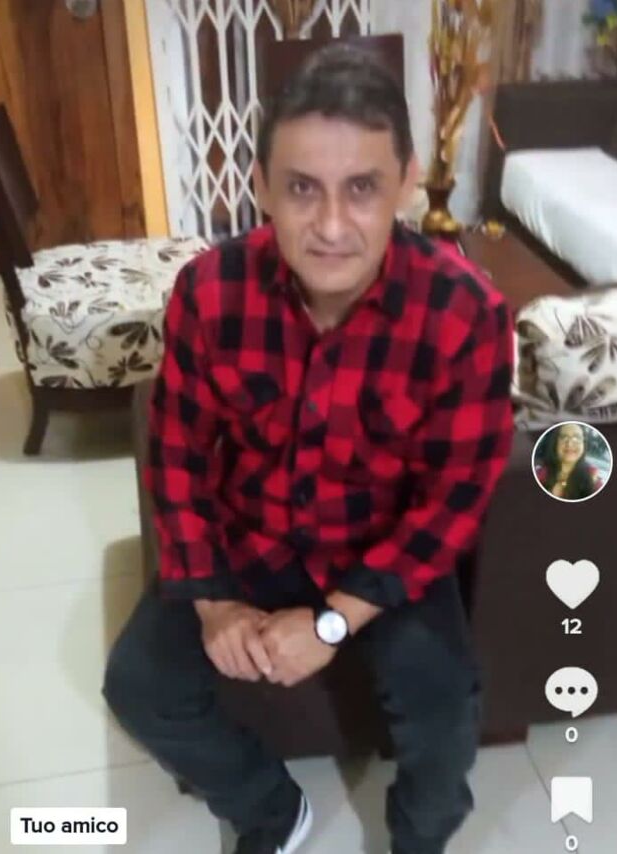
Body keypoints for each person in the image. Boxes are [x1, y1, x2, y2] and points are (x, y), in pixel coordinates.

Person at [102, 43, 514, 854]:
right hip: (249, 534)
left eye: (361, 188)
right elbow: (178, 456)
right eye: (301, 189)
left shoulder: (465, 313)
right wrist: (215, 603)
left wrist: (330, 624)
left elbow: (453, 503)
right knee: (139, 686)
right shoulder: (209, 292)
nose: (330, 227)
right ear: (260, 185)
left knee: (445, 714)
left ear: (405, 182)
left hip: (385, 555)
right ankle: (269, 809)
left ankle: (418, 841)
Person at [534, 422, 604, 501]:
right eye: (563, 437)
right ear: (555, 443)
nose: (569, 444)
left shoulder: (593, 479)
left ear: (583, 444)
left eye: (577, 437)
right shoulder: (539, 473)